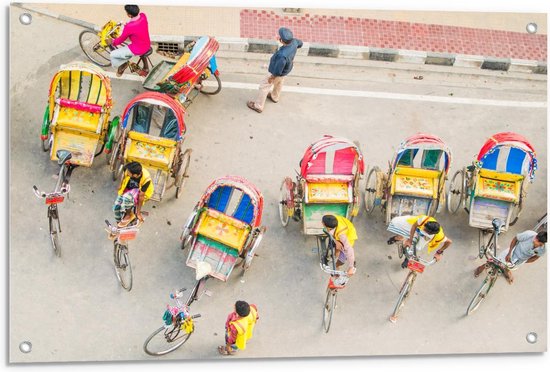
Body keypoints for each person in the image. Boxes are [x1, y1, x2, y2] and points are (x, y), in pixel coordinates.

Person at [246, 27, 303, 113]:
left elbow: (278, 69)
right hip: (286, 70)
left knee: (264, 86)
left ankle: (258, 106)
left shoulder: (282, 55)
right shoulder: (294, 42)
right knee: (279, 83)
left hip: (276, 72)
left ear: (282, 40)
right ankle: (274, 97)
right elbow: (300, 44)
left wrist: (272, 77)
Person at [474, 230, 546, 284]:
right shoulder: (529, 234)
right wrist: (509, 253)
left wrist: (523, 262)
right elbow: (515, 239)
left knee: (507, 267)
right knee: (494, 262)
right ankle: (481, 268)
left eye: (537, 240)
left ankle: (507, 272)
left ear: (542, 244)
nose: (534, 239)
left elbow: (536, 257)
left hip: (519, 261)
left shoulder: (544, 249)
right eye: (535, 237)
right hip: (512, 253)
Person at [387, 214, 452, 267]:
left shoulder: (439, 236)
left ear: (431, 233)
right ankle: (397, 238)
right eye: (424, 227)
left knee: (418, 247)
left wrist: (439, 252)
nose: (423, 228)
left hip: (425, 237)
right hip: (416, 228)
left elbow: (449, 242)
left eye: (425, 230)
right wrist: (410, 240)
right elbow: (414, 226)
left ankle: (407, 259)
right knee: (395, 222)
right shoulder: (423, 220)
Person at [108, 4, 151, 76]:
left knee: (113, 55)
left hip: (138, 49)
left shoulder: (129, 27)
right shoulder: (143, 15)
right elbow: (137, 26)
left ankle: (123, 65)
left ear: (129, 15)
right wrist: (127, 24)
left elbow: (120, 40)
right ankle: (146, 67)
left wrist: (112, 42)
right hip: (146, 43)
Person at [113, 161, 154, 228]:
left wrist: (138, 212)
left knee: (126, 198)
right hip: (128, 188)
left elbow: (141, 196)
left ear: (137, 175)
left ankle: (129, 214)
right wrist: (120, 184)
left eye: (130, 174)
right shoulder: (128, 169)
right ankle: (119, 224)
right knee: (116, 207)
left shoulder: (146, 179)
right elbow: (123, 174)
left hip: (139, 191)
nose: (127, 173)